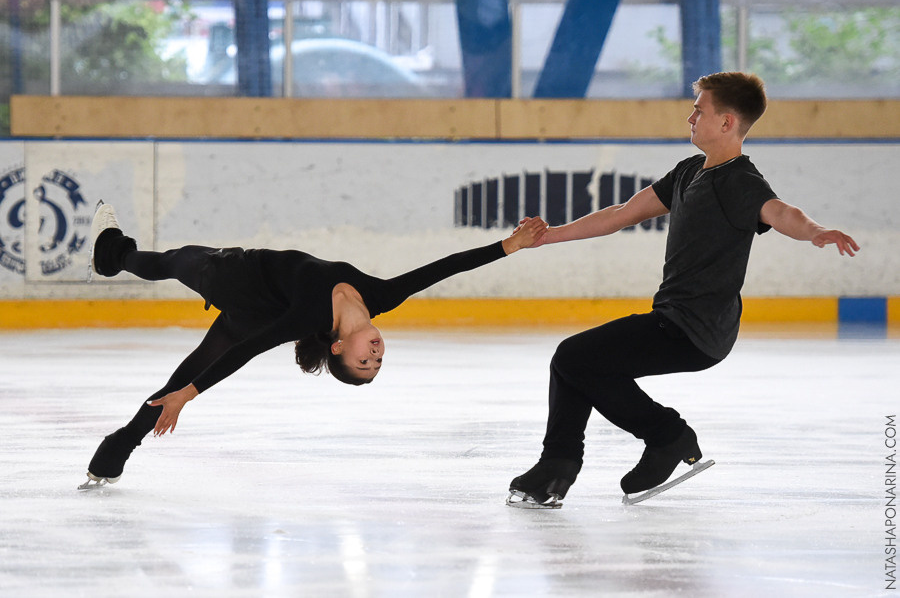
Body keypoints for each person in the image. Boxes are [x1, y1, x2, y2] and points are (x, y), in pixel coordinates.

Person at [507, 72, 859, 507]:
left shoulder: (740, 182)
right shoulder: (689, 172)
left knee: (574, 358)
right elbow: (621, 213)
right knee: (576, 362)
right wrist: (550, 235)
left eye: (700, 110)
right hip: (673, 318)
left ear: (727, 123)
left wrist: (816, 231)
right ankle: (557, 469)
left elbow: (781, 212)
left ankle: (666, 436)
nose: (690, 116)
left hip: (697, 329)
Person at [80, 203, 547, 488]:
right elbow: (442, 269)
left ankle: (113, 254)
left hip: (236, 281)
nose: (376, 353)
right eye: (379, 361)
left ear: (340, 348)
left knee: (175, 270)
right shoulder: (381, 297)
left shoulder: (309, 319)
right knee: (167, 266)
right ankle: (116, 447)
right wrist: (509, 245)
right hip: (259, 295)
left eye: (365, 362)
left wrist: (192, 394)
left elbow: (246, 351)